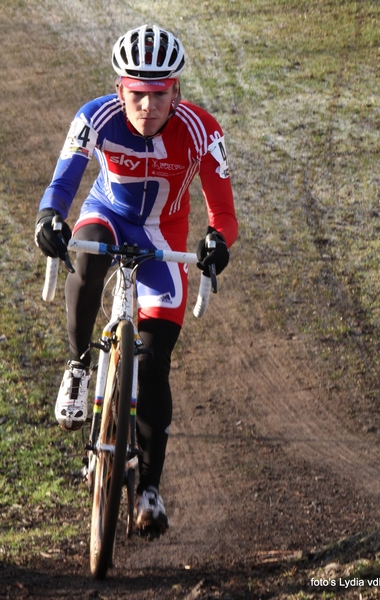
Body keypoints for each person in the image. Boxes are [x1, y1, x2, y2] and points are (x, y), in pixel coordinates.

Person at [34, 24, 238, 536]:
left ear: (176, 92)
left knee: (154, 365)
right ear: (120, 89)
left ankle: (148, 487)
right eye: (137, 94)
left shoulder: (202, 132)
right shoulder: (94, 117)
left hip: (162, 239)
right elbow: (63, 182)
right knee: (88, 258)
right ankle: (79, 366)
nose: (147, 106)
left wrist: (217, 241)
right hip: (107, 214)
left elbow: (224, 212)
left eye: (159, 94)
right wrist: (49, 217)